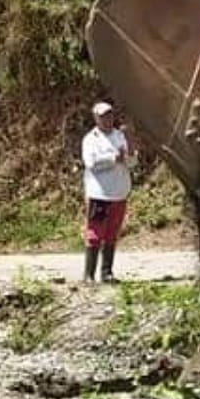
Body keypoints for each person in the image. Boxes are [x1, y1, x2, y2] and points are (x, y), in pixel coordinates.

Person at [81, 101, 133, 283]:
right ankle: (88, 275)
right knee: (95, 233)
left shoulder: (121, 136)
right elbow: (91, 163)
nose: (107, 119)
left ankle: (107, 273)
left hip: (119, 193)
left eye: (109, 115)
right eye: (103, 116)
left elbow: (132, 162)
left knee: (112, 233)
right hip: (99, 195)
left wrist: (131, 148)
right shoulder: (90, 139)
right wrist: (113, 158)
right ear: (96, 118)